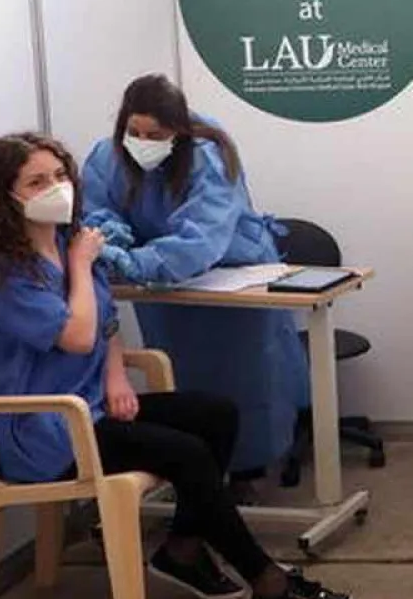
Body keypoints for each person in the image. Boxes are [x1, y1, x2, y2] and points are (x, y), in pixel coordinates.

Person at [0, 133, 350, 599]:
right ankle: (268, 582)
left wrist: (118, 375)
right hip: (46, 431)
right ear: (5, 196)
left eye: (60, 176)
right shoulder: (4, 274)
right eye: (37, 182)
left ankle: (182, 549)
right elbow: (78, 336)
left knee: (216, 413)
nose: (56, 189)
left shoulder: (67, 243)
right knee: (187, 454)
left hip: (93, 405)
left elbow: (106, 324)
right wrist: (82, 266)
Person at [81, 74, 307, 480]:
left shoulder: (209, 156)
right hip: (168, 291)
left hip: (233, 277)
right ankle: (197, 477)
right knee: (179, 375)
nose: (141, 140)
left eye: (155, 133)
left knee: (245, 381)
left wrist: (140, 263)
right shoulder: (106, 155)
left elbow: (203, 235)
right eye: (133, 131)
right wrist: (110, 233)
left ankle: (246, 475)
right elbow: (97, 205)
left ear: (178, 132)